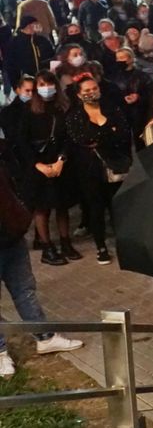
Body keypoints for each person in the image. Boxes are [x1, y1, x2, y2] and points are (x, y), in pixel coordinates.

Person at [0, 148, 84, 378]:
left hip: (11, 235)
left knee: (25, 290)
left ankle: (45, 337)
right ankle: (0, 353)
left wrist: (20, 215)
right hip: (10, 232)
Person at [65, 73, 132, 265]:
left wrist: (99, 137)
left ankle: (123, 242)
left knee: (117, 206)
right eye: (87, 90)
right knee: (96, 208)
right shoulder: (74, 115)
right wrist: (108, 132)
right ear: (79, 95)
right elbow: (81, 138)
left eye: (94, 88)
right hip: (89, 170)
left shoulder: (112, 109)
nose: (92, 93)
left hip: (114, 166)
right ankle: (101, 246)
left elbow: (123, 133)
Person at [15, 72, 79, 264]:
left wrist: (61, 159)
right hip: (38, 164)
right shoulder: (29, 109)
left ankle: (65, 242)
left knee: (62, 205)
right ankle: (47, 247)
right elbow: (22, 141)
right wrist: (38, 165)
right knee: (42, 208)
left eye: (50, 83)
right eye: (42, 84)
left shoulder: (63, 107)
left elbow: (68, 137)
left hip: (60, 162)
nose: (47, 88)